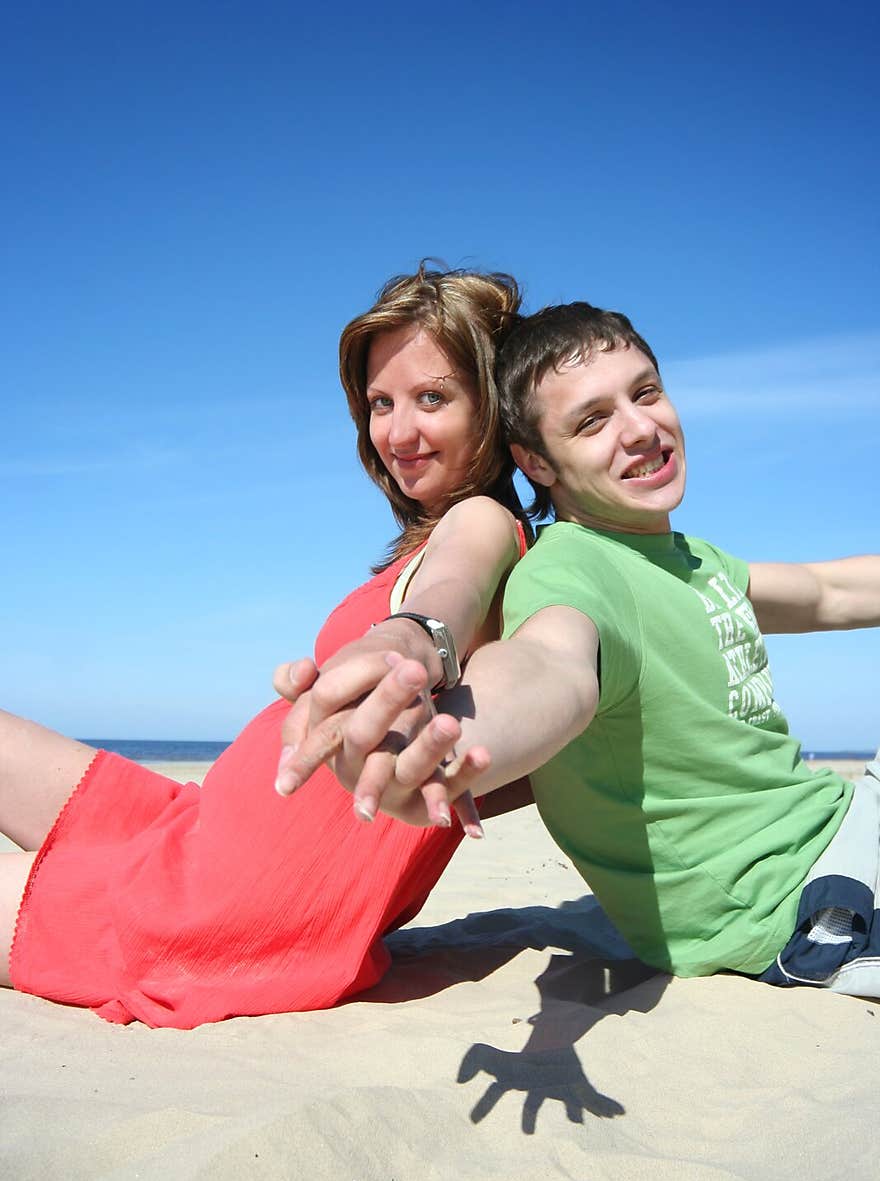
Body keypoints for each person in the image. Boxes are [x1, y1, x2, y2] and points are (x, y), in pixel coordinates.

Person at [282, 300, 880, 1000]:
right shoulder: (572, 570)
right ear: (535, 461)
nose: (639, 429)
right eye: (592, 420)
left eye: (645, 392)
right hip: (798, 905)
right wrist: (452, 749)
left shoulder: (692, 560)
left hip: (844, 823)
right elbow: (549, 666)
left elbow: (827, 591)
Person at [0, 263, 532, 1029]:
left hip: (210, 903)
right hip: (193, 824)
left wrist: (406, 640)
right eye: (381, 403)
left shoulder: (482, 526)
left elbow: (445, 600)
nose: (398, 432)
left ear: (494, 405)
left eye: (432, 398)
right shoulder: (443, 538)